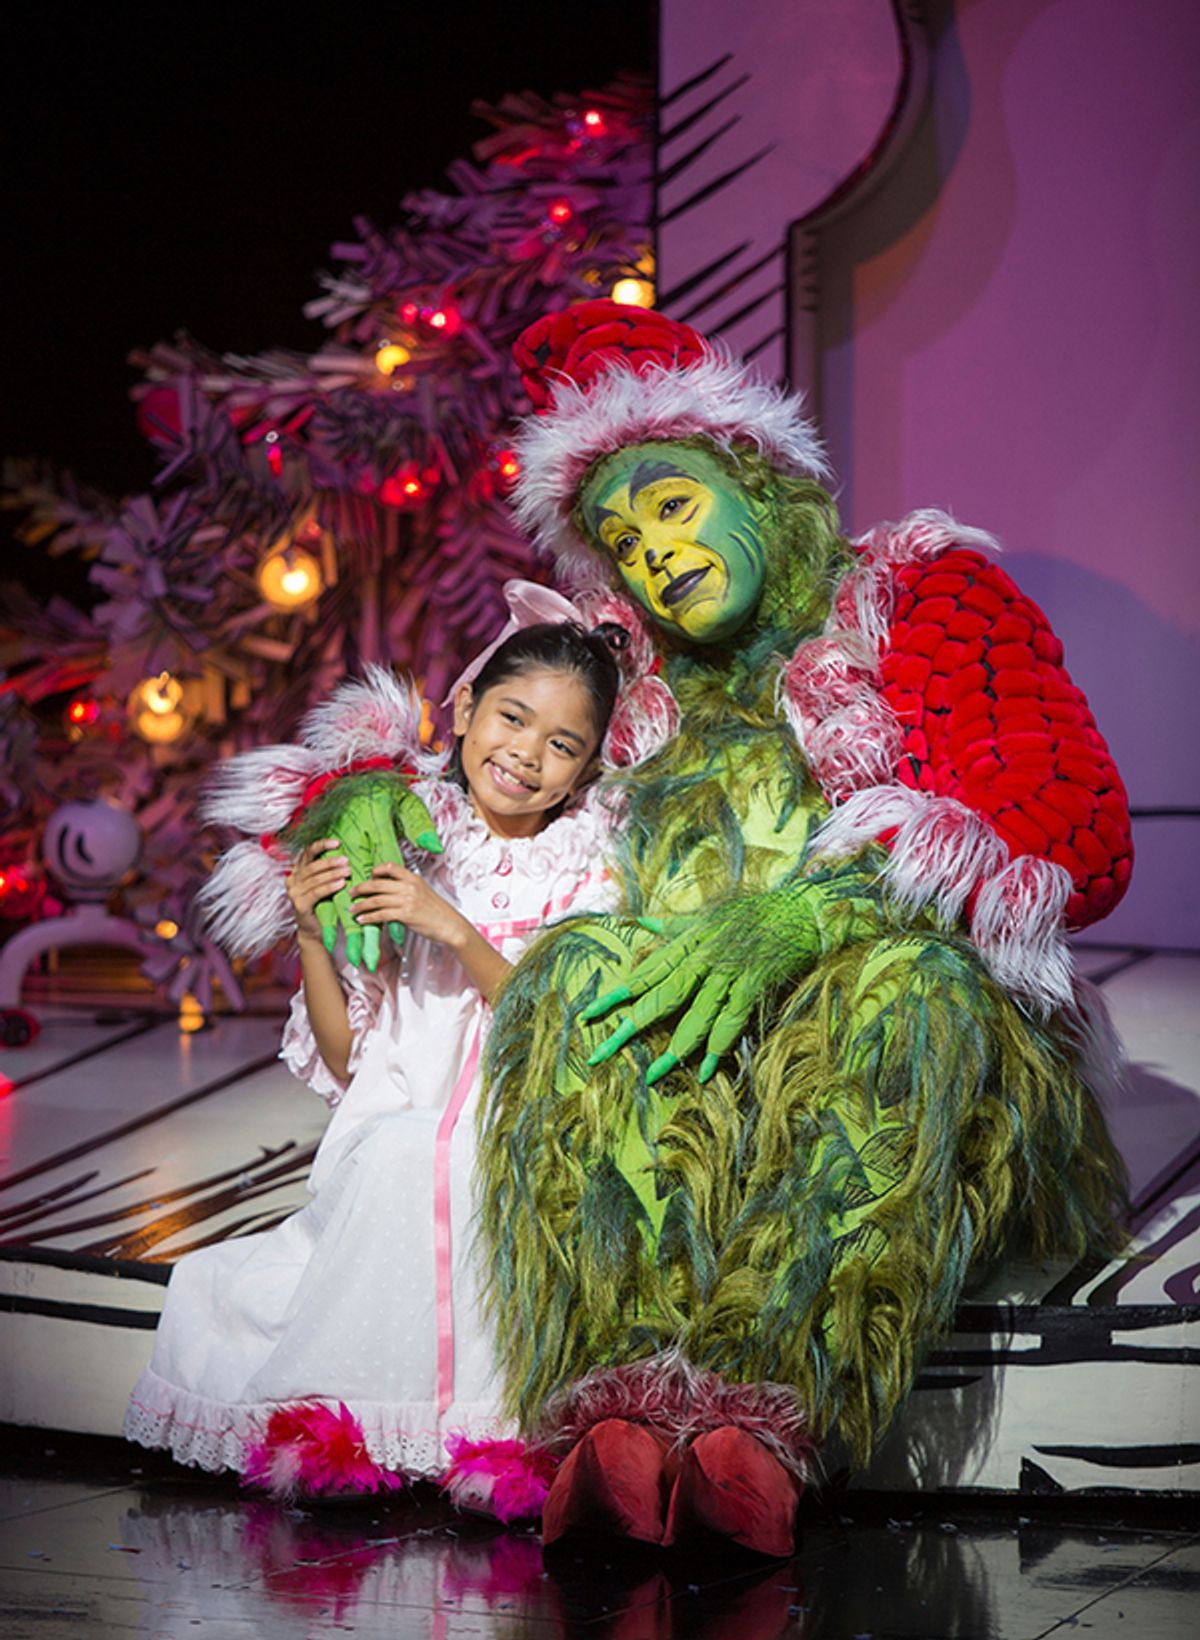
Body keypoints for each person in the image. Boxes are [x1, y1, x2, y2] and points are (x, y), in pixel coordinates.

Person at [124, 610, 641, 1508]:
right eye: (510, 718)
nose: (525, 754)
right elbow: (343, 1052)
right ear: (466, 708)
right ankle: (351, 1426)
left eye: (562, 744)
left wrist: (452, 927)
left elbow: (565, 1020)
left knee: (460, 1165)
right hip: (401, 1108)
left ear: (587, 767)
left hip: (524, 1112)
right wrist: (311, 933)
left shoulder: (590, 859)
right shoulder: (406, 829)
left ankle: (493, 1431)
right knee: (385, 1170)